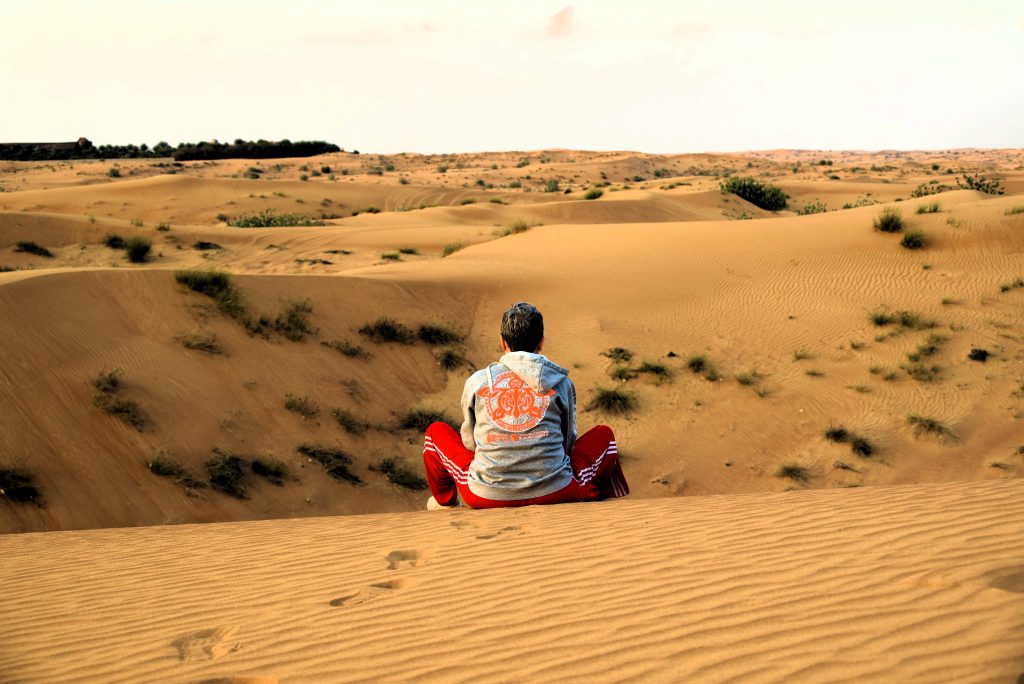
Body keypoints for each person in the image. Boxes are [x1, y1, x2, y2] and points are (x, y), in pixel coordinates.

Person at [422, 302, 629, 509]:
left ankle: (446, 503)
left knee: (435, 434)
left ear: (503, 342)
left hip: (486, 494)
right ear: (541, 342)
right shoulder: (562, 382)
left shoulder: (477, 381)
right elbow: (568, 440)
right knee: (605, 437)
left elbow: (470, 441)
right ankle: (594, 499)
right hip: (558, 491)